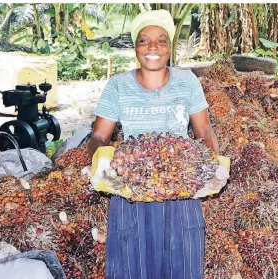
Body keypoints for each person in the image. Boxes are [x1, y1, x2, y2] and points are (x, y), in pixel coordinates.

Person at [86, 10, 226, 279]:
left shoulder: (187, 82)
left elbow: (204, 131)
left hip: (180, 188)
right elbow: (99, 137)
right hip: (131, 188)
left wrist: (209, 168)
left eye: (161, 40)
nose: (153, 47)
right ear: (135, 47)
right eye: (144, 40)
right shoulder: (118, 86)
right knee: (131, 267)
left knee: (181, 266)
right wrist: (99, 162)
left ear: (169, 47)